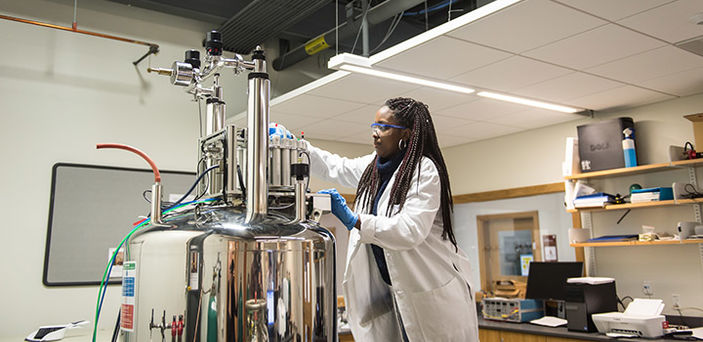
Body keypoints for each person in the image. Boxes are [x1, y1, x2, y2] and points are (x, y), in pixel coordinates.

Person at [279, 97, 479, 341]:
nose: (375, 134)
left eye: (383, 127)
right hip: (393, 294)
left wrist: (355, 221)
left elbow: (409, 230)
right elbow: (337, 167)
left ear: (405, 133)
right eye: (374, 126)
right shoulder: (374, 167)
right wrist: (297, 146)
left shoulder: (423, 170)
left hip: (430, 295)